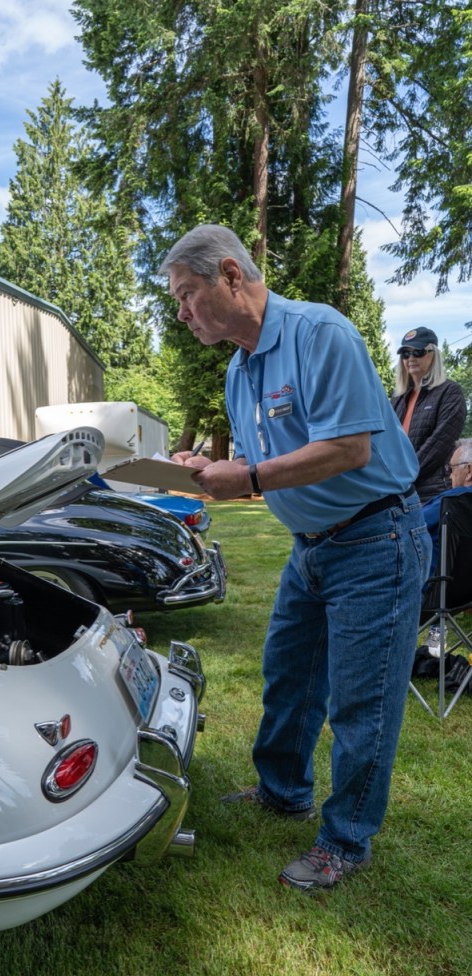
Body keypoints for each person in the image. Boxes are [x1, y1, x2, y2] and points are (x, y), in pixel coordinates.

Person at [160, 224, 431, 892]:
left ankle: (346, 841)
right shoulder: (239, 369)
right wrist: (208, 468)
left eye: (187, 294)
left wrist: (248, 478)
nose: (182, 312)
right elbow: (265, 457)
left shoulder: (320, 334)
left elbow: (349, 449)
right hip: (311, 548)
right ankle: (283, 791)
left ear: (230, 274)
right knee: (289, 677)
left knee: (362, 702)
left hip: (376, 538)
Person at [391, 328, 466, 502]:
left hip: (432, 494)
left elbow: (438, 444)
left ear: (434, 355)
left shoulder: (450, 392)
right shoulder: (397, 399)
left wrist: (402, 477)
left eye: (418, 352)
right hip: (399, 492)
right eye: (405, 354)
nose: (411, 358)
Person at [421, 438, 472, 579]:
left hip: (435, 585)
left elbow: (411, 525)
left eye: (452, 469)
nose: (450, 476)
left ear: (469, 470)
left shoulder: (454, 500)